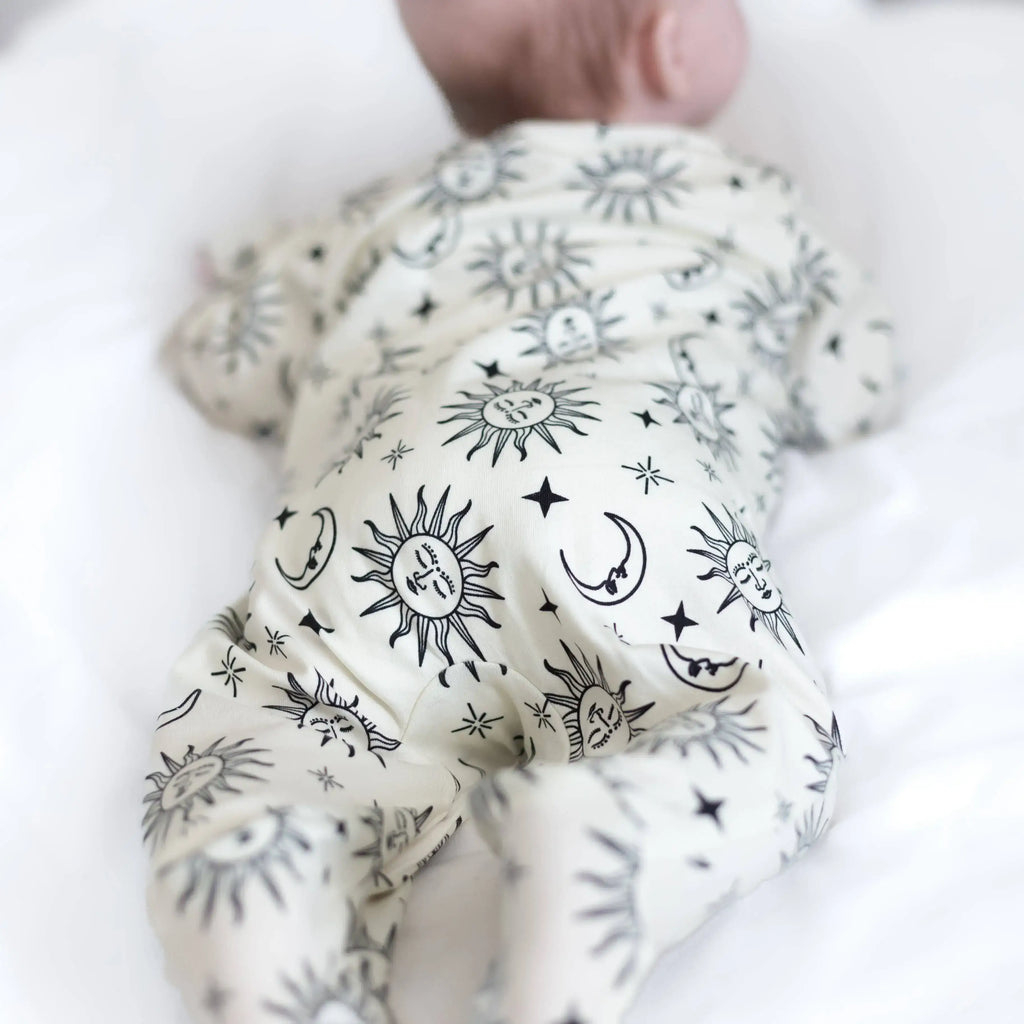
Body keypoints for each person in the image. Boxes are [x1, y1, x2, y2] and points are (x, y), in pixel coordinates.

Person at [143, 1, 897, 1021]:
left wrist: (240, 288)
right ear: (667, 35)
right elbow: (855, 384)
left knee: (300, 714)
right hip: (622, 495)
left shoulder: (387, 205)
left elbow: (228, 366)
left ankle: (266, 874)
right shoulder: (755, 200)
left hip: (390, 518)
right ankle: (621, 830)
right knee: (752, 725)